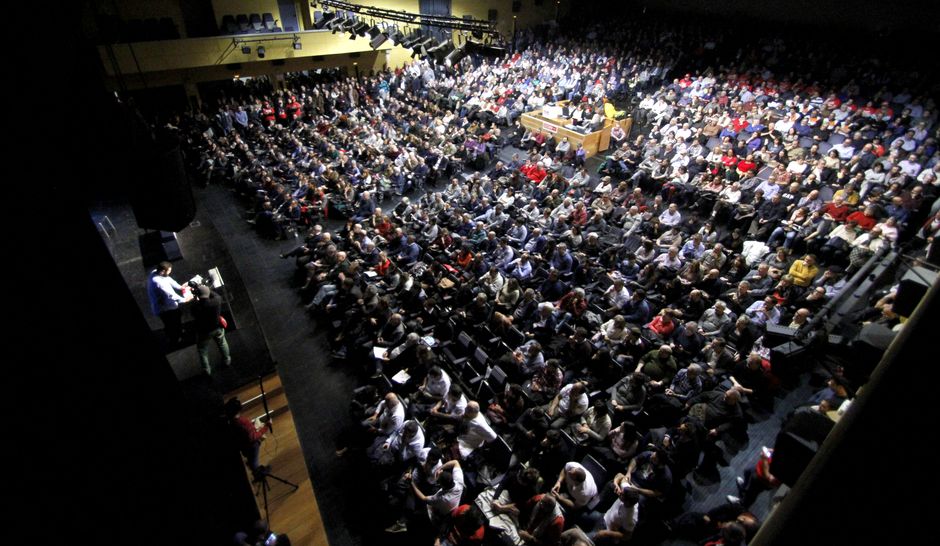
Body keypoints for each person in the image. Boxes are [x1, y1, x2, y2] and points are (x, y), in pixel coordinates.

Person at [146, 261, 192, 345]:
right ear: (162, 271)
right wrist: (185, 299)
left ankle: (178, 331)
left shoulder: (156, 272)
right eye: (169, 271)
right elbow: (171, 295)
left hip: (168, 306)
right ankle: (175, 339)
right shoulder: (158, 282)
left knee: (177, 317)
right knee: (171, 324)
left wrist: (180, 287)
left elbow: (169, 279)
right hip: (164, 309)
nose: (170, 272)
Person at [192, 285, 231, 375]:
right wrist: (206, 289)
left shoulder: (195, 307)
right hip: (217, 328)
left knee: (202, 350)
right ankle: (227, 360)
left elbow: (194, 312)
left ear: (198, 295)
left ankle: (207, 370)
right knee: (222, 343)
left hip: (204, 332)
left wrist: (196, 296)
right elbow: (215, 295)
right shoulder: (217, 300)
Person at [225, 397, 271, 471]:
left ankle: (252, 464)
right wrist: (266, 427)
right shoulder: (241, 422)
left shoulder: (232, 421)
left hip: (245, 444)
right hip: (251, 446)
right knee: (254, 462)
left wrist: (253, 429)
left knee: (251, 459)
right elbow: (253, 437)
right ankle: (258, 474)